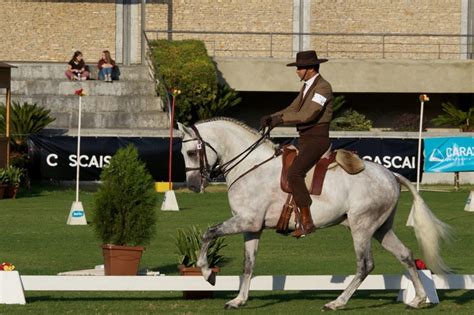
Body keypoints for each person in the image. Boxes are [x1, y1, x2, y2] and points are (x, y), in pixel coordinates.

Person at [260, 50, 333, 238]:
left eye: (300, 68)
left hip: (317, 139)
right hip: (304, 138)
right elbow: (293, 109)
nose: (297, 71)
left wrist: (280, 120)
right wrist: (273, 117)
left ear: (310, 69)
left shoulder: (323, 87)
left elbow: (309, 114)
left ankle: (307, 222)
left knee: (295, 173)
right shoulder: (307, 87)